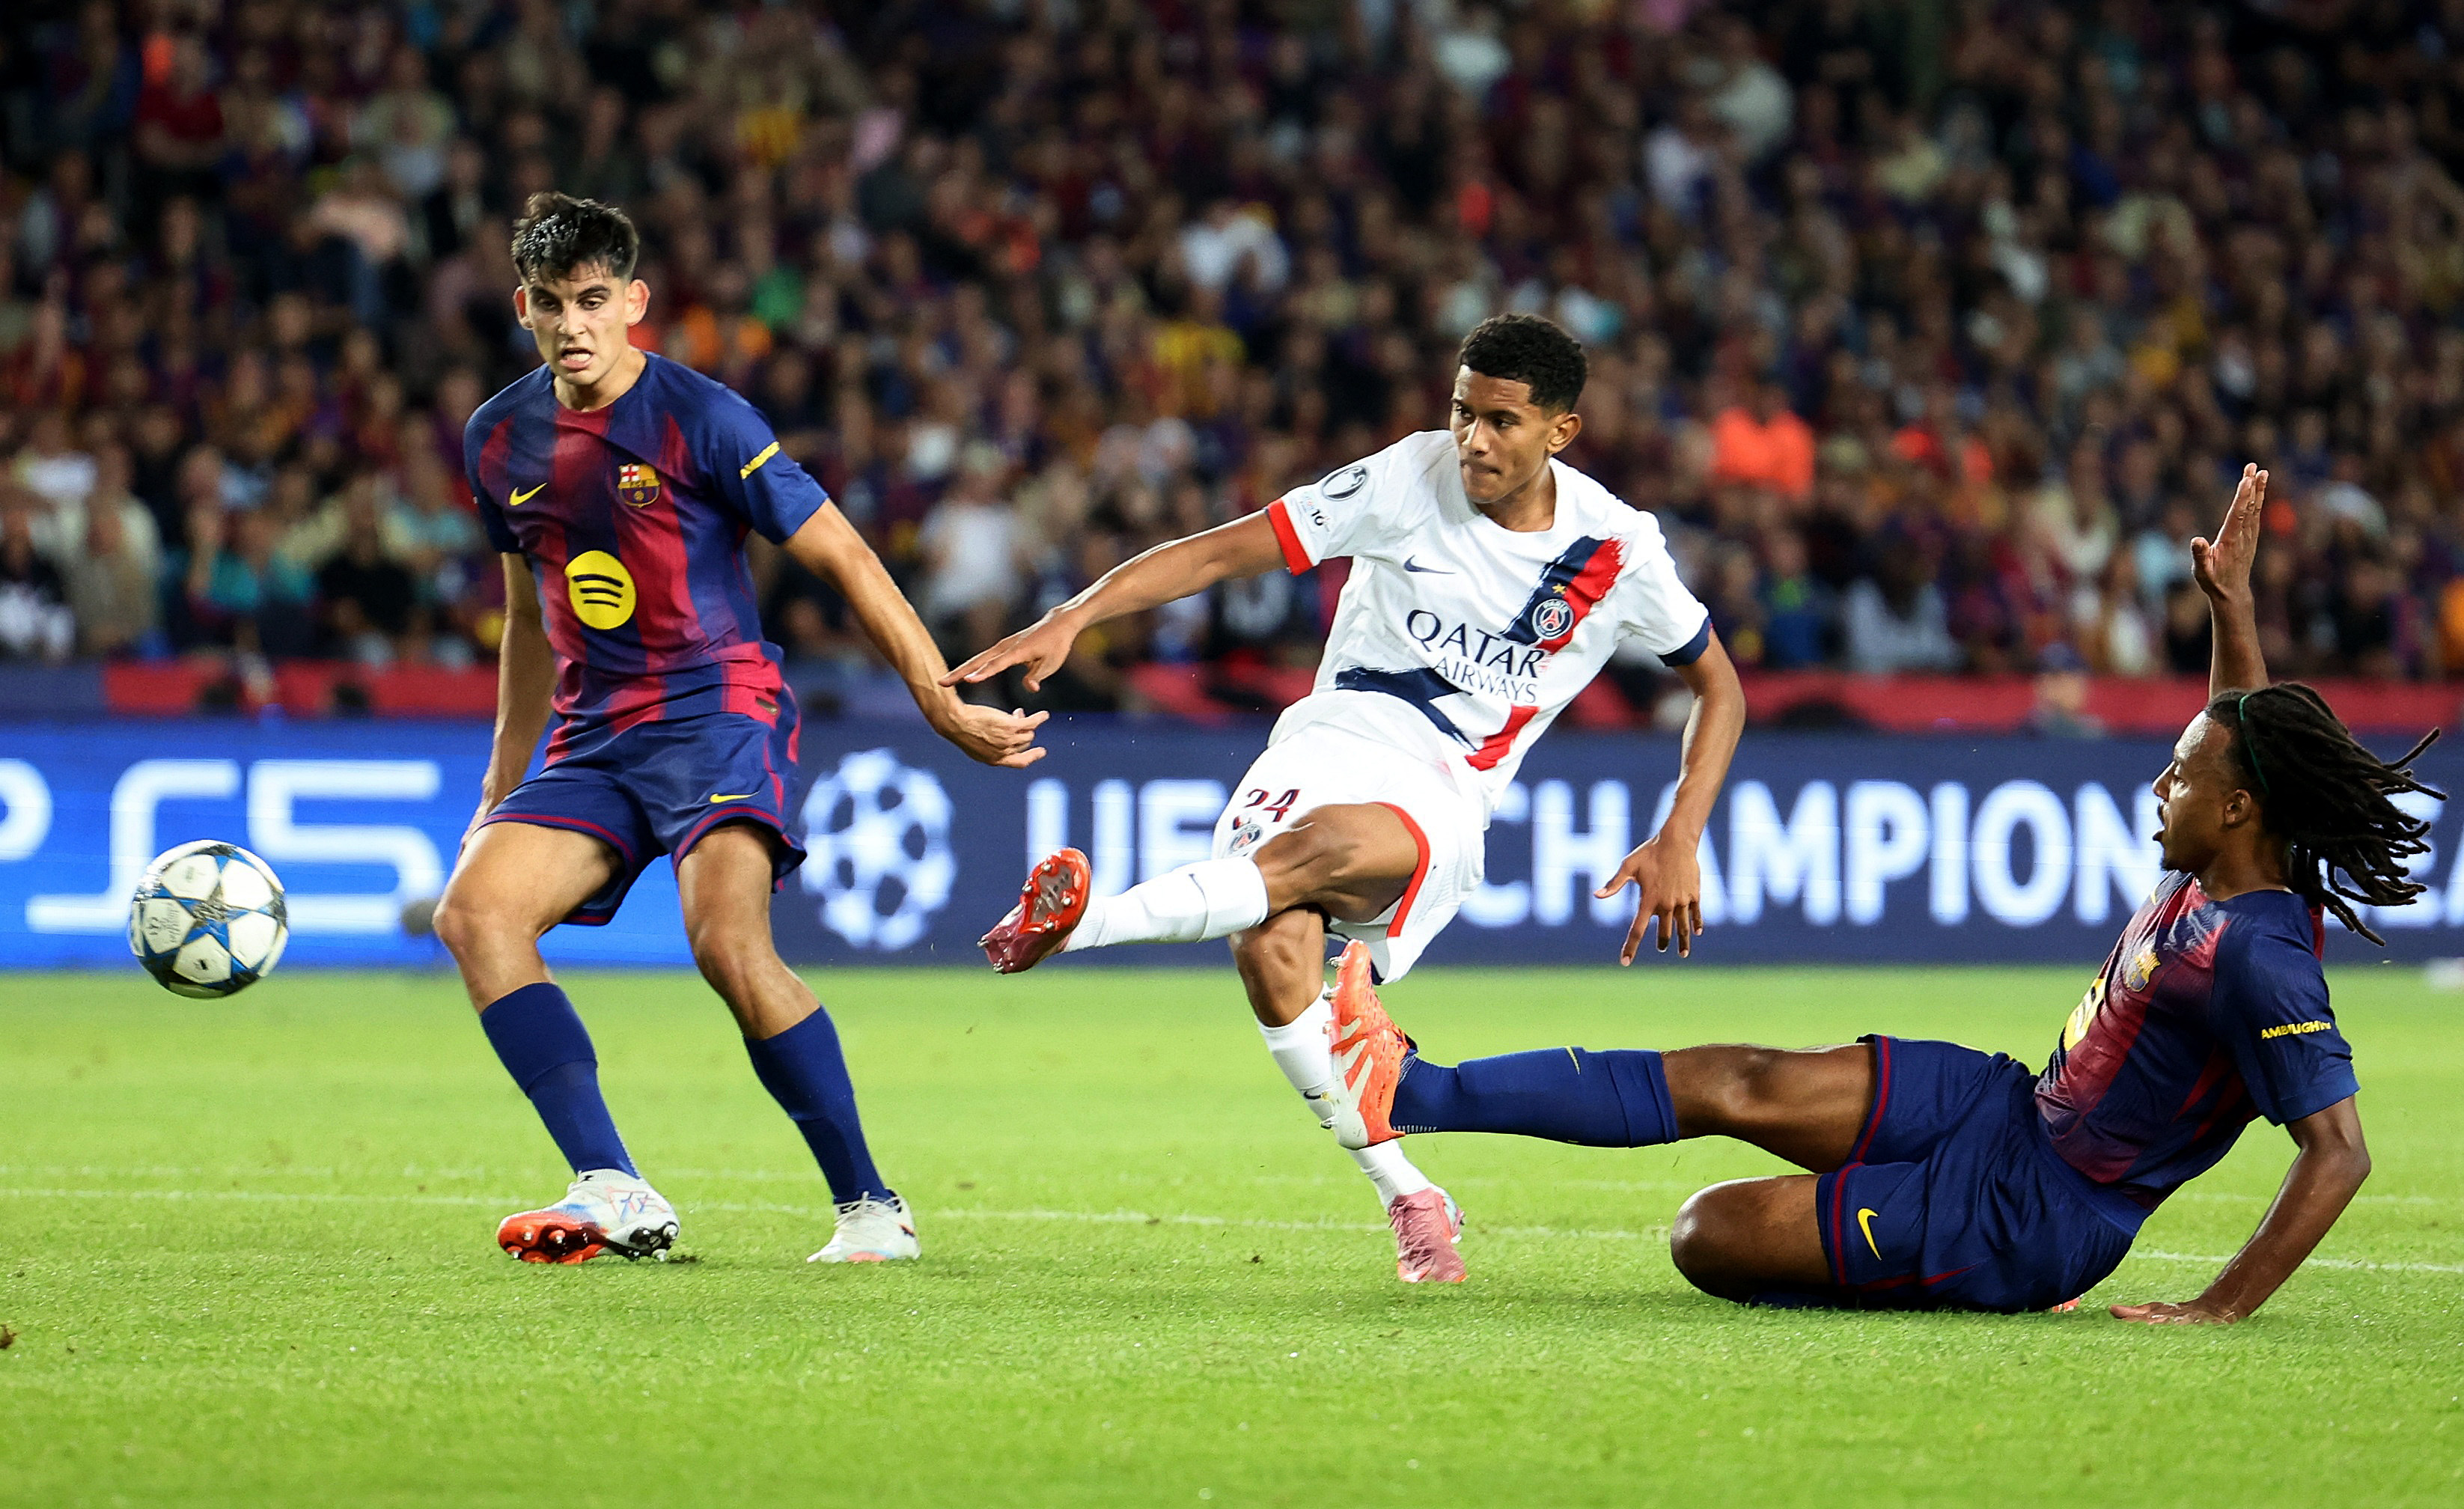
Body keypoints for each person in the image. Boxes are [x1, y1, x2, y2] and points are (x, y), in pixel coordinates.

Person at [1323, 466, 2415, 1318]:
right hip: (2010, 1109)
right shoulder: (2225, 841)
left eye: (2181, 774)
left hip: (2039, 1209)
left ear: (2235, 813)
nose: (2160, 782)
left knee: (1705, 1236)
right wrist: (2233, 605)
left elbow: (2340, 1152)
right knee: (1737, 1078)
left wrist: (2218, 1308)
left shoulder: (2262, 953)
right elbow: (2241, 733)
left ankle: (1970, 1272)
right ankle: (1413, 1087)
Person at [948, 314, 1748, 1282]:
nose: (1472, 440)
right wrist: (1075, 616)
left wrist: (1681, 833)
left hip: (1446, 787)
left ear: (1560, 433)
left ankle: (1078, 927)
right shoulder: (1407, 478)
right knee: (1273, 947)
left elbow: (1719, 685)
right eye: (1462, 413)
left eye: (1500, 421)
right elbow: (1217, 554)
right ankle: (1408, 1194)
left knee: (1313, 856)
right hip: (1326, 741)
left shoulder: (1617, 550)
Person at [431, 193, 1045, 1268]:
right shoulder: (499, 438)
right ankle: (612, 1186)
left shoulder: (703, 418)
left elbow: (847, 556)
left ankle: (870, 1205)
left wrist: (937, 696)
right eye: (551, 306)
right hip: (592, 736)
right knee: (476, 914)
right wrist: (501, 777)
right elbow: (530, 616)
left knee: (725, 944)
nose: (573, 325)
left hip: (717, 711)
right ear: (522, 309)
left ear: (635, 303)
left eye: (594, 301)